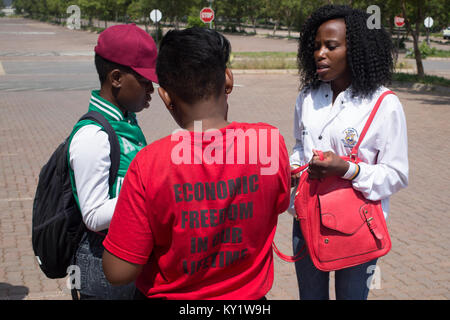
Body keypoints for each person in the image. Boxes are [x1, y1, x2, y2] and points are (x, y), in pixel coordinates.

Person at [101, 27, 291, 300]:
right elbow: (279, 203)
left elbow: (118, 272)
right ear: (227, 79)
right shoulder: (270, 143)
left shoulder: (149, 164)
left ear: (166, 96)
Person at [289, 5, 409, 300]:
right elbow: (299, 146)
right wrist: (293, 168)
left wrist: (348, 169)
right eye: (315, 46)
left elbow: (397, 174)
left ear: (355, 49)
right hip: (306, 219)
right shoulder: (307, 97)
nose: (320, 53)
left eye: (331, 46)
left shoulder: (384, 104)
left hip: (357, 224)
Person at [68, 24, 158, 299]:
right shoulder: (93, 135)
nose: (151, 88)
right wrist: (151, 190)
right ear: (116, 78)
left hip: (127, 260)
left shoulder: (125, 122)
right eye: (144, 81)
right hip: (103, 269)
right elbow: (94, 215)